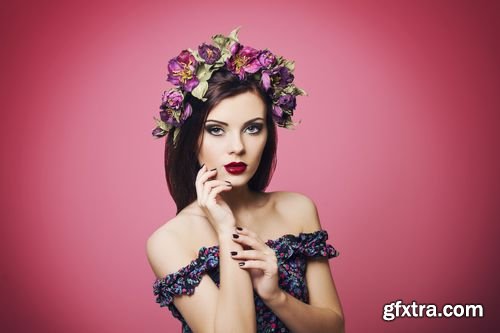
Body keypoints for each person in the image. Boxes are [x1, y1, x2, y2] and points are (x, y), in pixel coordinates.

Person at [146, 27, 344, 333]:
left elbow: (333, 328)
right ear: (191, 139)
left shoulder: (298, 210)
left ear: (268, 134)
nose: (237, 147)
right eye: (216, 129)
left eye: (252, 128)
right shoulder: (170, 242)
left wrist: (275, 295)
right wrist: (227, 234)